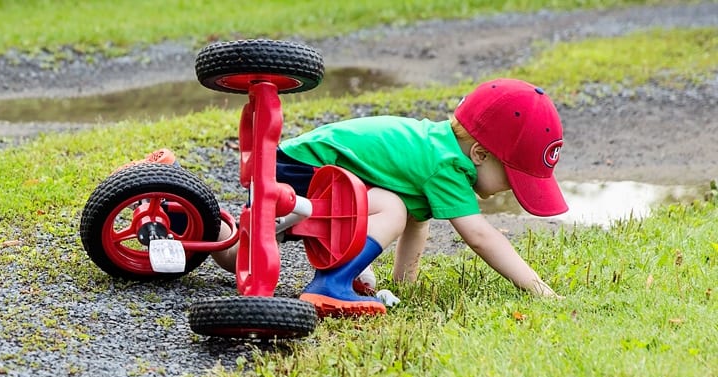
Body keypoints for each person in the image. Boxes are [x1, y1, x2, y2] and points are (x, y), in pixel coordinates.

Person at [212, 78, 567, 317]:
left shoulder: (434, 149)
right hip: (301, 171)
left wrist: (403, 286)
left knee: (245, 252)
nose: (509, 189)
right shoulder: (446, 164)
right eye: (511, 178)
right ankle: (331, 286)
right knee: (391, 208)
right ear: (479, 154)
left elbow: (418, 221)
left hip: (291, 166)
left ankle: (205, 233)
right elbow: (480, 235)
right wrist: (539, 290)